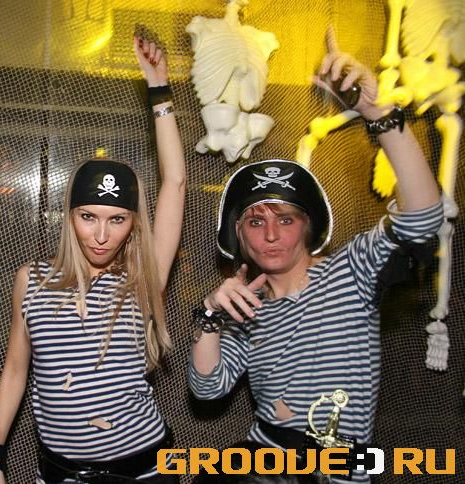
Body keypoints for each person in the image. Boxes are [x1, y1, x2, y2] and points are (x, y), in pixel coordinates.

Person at [188, 31, 443, 483]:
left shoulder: (351, 272)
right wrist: (210, 317)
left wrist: (379, 114)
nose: (271, 234)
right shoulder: (248, 307)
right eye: (255, 222)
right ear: (238, 236)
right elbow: (208, 389)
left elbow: (422, 218)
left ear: (308, 227)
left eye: (286, 220)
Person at [0, 36, 186, 484]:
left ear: (134, 223)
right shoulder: (32, 279)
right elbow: (15, 370)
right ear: (70, 215)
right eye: (88, 217)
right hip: (62, 474)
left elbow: (174, 182)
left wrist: (159, 90)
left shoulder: (142, 277)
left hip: (146, 471)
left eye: (117, 220)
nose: (101, 235)